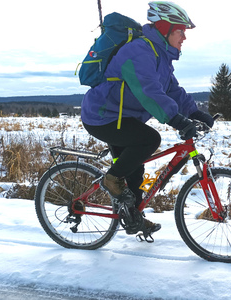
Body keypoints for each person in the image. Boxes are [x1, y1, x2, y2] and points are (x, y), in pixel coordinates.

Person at [80, 1, 214, 238]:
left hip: (122, 117)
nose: (184, 37)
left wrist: (194, 112)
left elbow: (172, 90)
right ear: (165, 28)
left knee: (134, 169)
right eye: (180, 31)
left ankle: (133, 219)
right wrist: (175, 119)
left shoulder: (159, 55)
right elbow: (149, 90)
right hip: (102, 117)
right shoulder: (140, 51)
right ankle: (111, 179)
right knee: (149, 140)